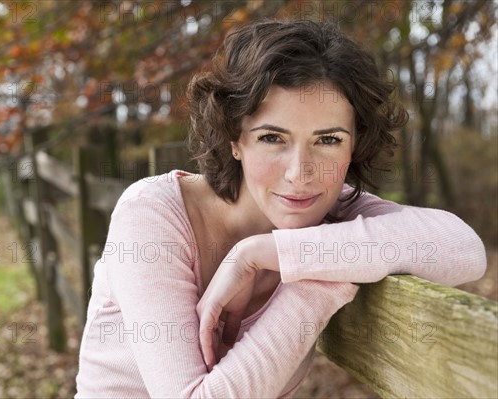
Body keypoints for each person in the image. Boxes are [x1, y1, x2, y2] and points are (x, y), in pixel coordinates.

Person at [75, 19, 486, 398]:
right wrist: (322, 280)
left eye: (328, 140)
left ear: (355, 145)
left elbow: (464, 250)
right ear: (235, 138)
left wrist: (275, 254)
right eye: (273, 138)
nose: (300, 173)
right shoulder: (153, 214)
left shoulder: (329, 210)